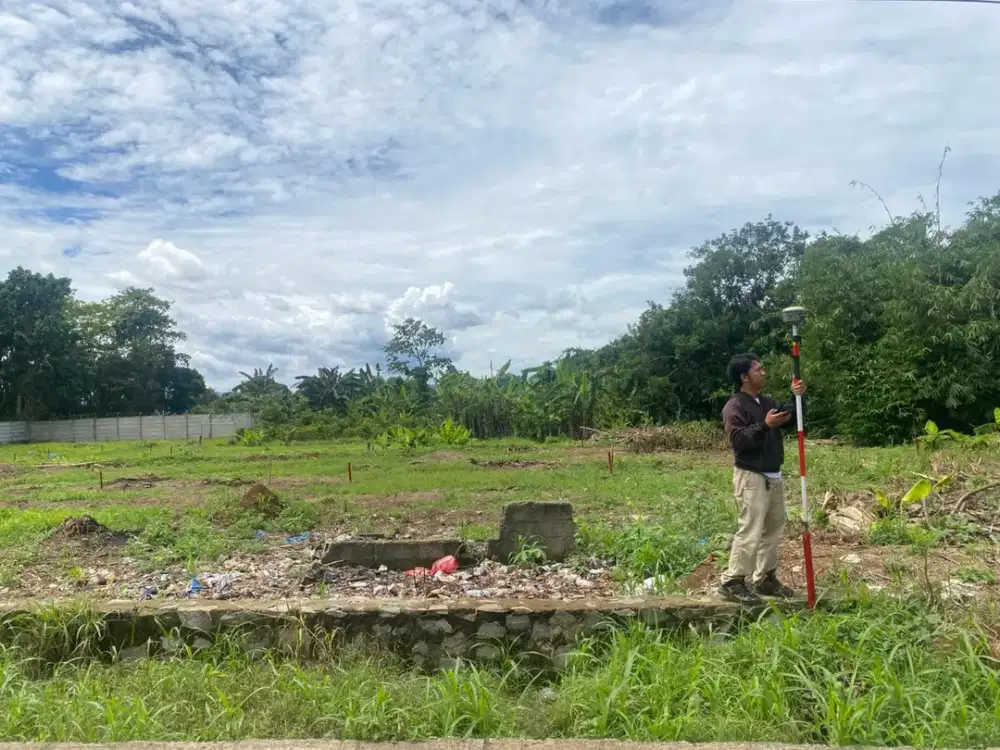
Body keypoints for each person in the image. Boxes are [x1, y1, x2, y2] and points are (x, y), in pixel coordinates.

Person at [717, 352, 806, 603]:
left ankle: (765, 578)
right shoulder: (734, 406)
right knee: (751, 528)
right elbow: (738, 441)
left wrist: (796, 397)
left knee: (774, 528)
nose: (763, 373)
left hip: (773, 473)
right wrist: (765, 425)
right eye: (758, 369)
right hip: (751, 476)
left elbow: (790, 419)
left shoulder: (765, 401)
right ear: (744, 377)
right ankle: (733, 580)